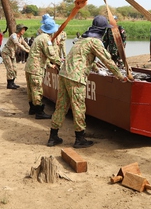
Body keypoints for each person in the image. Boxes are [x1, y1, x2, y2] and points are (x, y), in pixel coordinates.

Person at [47, 16, 127, 148]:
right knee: (78, 107)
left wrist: (95, 68)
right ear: (102, 30)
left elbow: (82, 58)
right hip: (76, 77)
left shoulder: (81, 41)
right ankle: (79, 139)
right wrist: (120, 76)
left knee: (61, 106)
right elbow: (107, 60)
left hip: (64, 74)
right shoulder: (95, 42)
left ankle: (53, 137)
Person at [25, 18, 62, 119]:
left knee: (31, 89)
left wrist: (50, 65)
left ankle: (32, 109)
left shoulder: (39, 37)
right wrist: (62, 64)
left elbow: (40, 55)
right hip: (36, 68)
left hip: (30, 67)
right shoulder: (46, 39)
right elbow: (51, 55)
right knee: (37, 89)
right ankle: (39, 112)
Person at [2, 24, 31, 89]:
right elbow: (17, 44)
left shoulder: (21, 37)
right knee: (10, 68)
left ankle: (12, 82)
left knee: (14, 69)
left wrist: (31, 50)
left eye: (24, 30)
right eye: (23, 29)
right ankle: (9, 84)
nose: (24, 31)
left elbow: (25, 44)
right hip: (6, 53)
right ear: (19, 30)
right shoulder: (13, 36)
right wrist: (26, 50)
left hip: (12, 54)